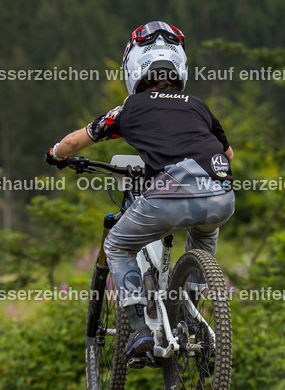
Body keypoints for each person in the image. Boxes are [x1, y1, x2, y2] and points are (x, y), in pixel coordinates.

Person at [46, 21, 235, 360]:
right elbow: (228, 154)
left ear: (133, 68)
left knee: (116, 244)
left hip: (170, 196)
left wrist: (55, 154)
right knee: (203, 237)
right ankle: (191, 316)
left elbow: (75, 141)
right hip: (222, 194)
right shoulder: (198, 105)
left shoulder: (128, 109)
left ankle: (138, 329)